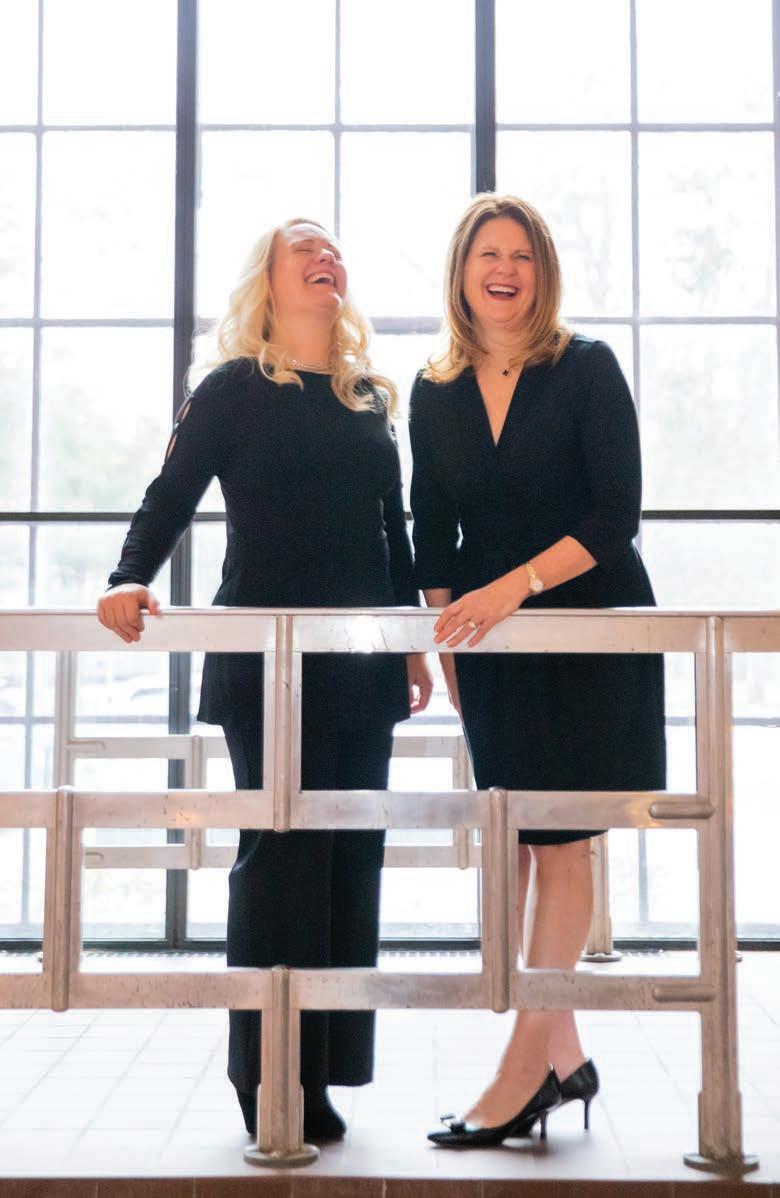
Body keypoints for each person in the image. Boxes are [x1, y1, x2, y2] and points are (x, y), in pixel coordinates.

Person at [97, 217, 432, 1142]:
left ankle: (321, 1072)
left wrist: (412, 640)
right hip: (267, 664)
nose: (326, 259)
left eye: (333, 249)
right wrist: (129, 575)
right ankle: (267, 1075)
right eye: (304, 249)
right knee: (281, 862)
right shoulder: (232, 389)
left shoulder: (369, 396)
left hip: (363, 658)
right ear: (269, 281)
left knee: (350, 861)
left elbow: (393, 530)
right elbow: (171, 492)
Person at [409, 194, 665, 1148]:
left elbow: (615, 515)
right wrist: (449, 641)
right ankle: (566, 1060)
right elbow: (431, 526)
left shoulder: (586, 367)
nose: (505, 269)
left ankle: (521, 1074)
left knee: (560, 844)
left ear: (542, 271)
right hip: (490, 642)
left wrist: (512, 588)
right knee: (517, 840)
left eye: (521, 254)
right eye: (489, 253)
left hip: (587, 626)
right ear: (462, 271)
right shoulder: (434, 388)